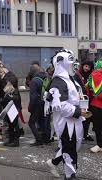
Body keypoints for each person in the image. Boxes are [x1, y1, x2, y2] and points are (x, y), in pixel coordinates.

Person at [46, 49, 84, 179]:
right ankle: (70, 176)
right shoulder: (59, 81)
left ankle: (54, 162)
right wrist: (78, 111)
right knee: (69, 149)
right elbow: (60, 105)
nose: (74, 66)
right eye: (70, 63)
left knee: (71, 147)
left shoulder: (70, 78)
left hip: (74, 120)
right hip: (66, 122)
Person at [0, 59, 22, 147]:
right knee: (9, 121)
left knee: (13, 121)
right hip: (8, 101)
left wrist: (3, 78)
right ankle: (11, 139)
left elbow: (10, 86)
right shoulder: (5, 76)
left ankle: (15, 140)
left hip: (12, 101)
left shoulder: (10, 76)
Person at [28, 65, 50, 146]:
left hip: (37, 104)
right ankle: (46, 139)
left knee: (31, 122)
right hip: (45, 103)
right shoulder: (46, 77)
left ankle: (38, 139)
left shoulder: (34, 81)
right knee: (42, 122)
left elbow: (33, 96)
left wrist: (30, 107)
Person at [87, 59, 102, 153]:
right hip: (96, 104)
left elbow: (90, 91)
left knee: (97, 126)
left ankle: (100, 144)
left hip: (96, 105)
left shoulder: (94, 75)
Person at [78, 61, 95, 141]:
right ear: (83, 66)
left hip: (89, 99)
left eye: (89, 67)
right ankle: (79, 134)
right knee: (80, 117)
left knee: (87, 118)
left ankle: (85, 134)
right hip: (80, 99)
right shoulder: (78, 74)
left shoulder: (91, 76)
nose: (87, 68)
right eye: (86, 66)